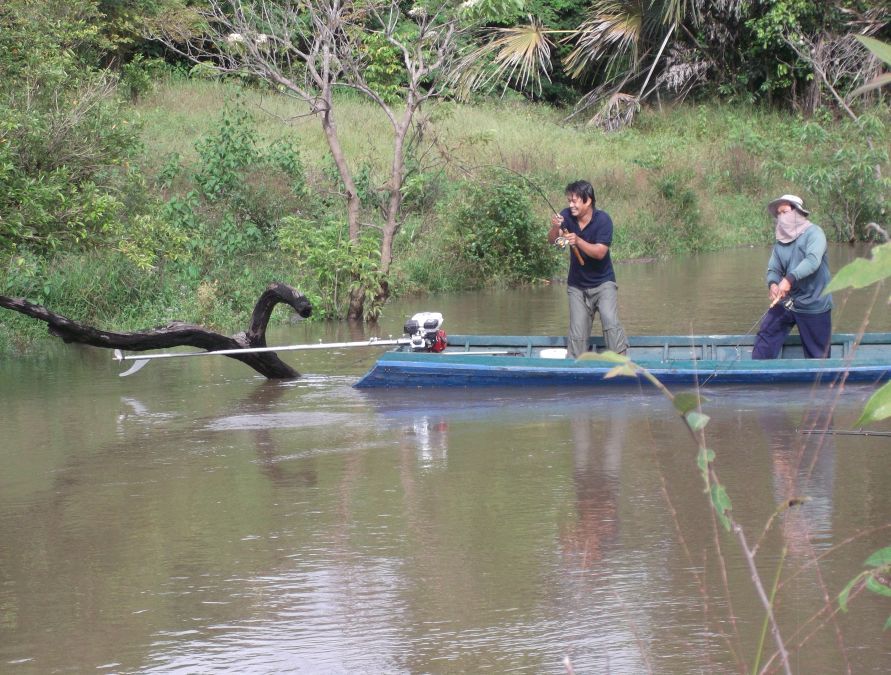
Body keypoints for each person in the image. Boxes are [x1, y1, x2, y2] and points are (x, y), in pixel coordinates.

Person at [548, 180, 628, 358]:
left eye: (574, 201)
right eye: (569, 200)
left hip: (603, 283)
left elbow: (600, 252)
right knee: (577, 334)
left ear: (588, 200)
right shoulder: (566, 216)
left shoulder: (603, 220)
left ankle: (622, 360)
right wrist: (555, 227)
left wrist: (578, 241)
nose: (570, 205)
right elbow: (554, 241)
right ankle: (575, 365)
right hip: (577, 286)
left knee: (609, 319)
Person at [752, 194, 832, 360]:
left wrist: (789, 279)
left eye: (785, 212)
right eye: (778, 214)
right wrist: (773, 284)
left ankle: (819, 383)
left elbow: (812, 261)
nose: (781, 217)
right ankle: (759, 375)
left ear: (798, 212)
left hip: (814, 302)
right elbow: (773, 269)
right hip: (788, 302)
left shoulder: (815, 233)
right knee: (765, 335)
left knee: (818, 356)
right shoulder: (781, 243)